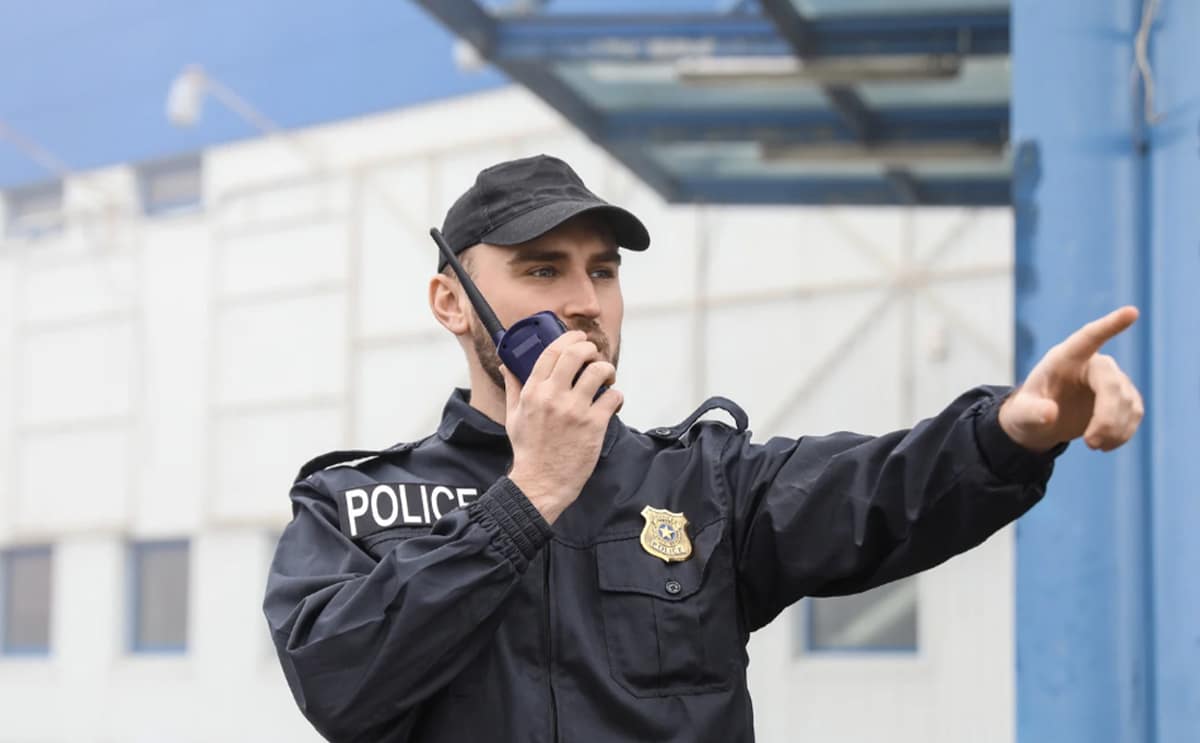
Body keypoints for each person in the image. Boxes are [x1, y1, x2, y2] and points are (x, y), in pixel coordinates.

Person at [263, 155, 1144, 743]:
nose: (584, 301)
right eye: (542, 269)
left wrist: (1011, 426)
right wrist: (526, 499)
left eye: (602, 270)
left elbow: (875, 488)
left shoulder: (700, 481)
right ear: (452, 302)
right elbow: (341, 685)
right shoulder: (355, 507)